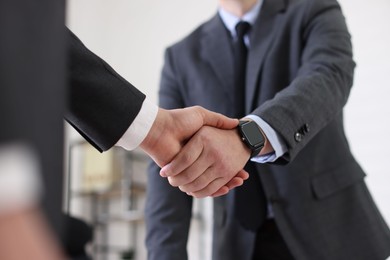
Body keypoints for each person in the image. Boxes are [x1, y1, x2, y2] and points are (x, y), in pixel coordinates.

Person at [0, 1, 246, 259]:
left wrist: (157, 129)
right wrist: (9, 206)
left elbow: (44, 47)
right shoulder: (182, 54)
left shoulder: (294, 17)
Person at [145, 0, 390, 259]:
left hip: (330, 230)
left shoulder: (313, 8)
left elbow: (329, 75)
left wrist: (247, 138)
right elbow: (166, 161)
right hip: (238, 243)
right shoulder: (180, 56)